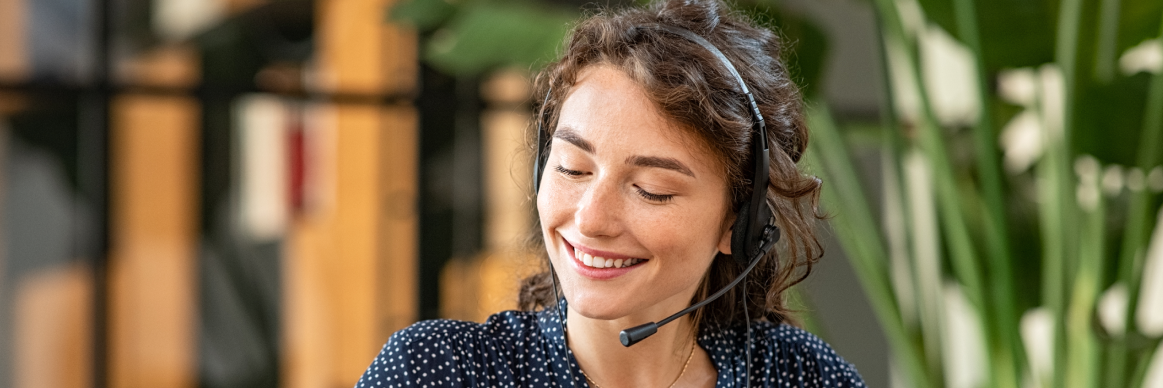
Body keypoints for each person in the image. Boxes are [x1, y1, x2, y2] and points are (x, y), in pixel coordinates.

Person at [357, 0, 865, 386]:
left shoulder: (808, 376)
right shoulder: (437, 371)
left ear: (741, 222)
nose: (592, 218)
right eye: (573, 169)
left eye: (652, 190)